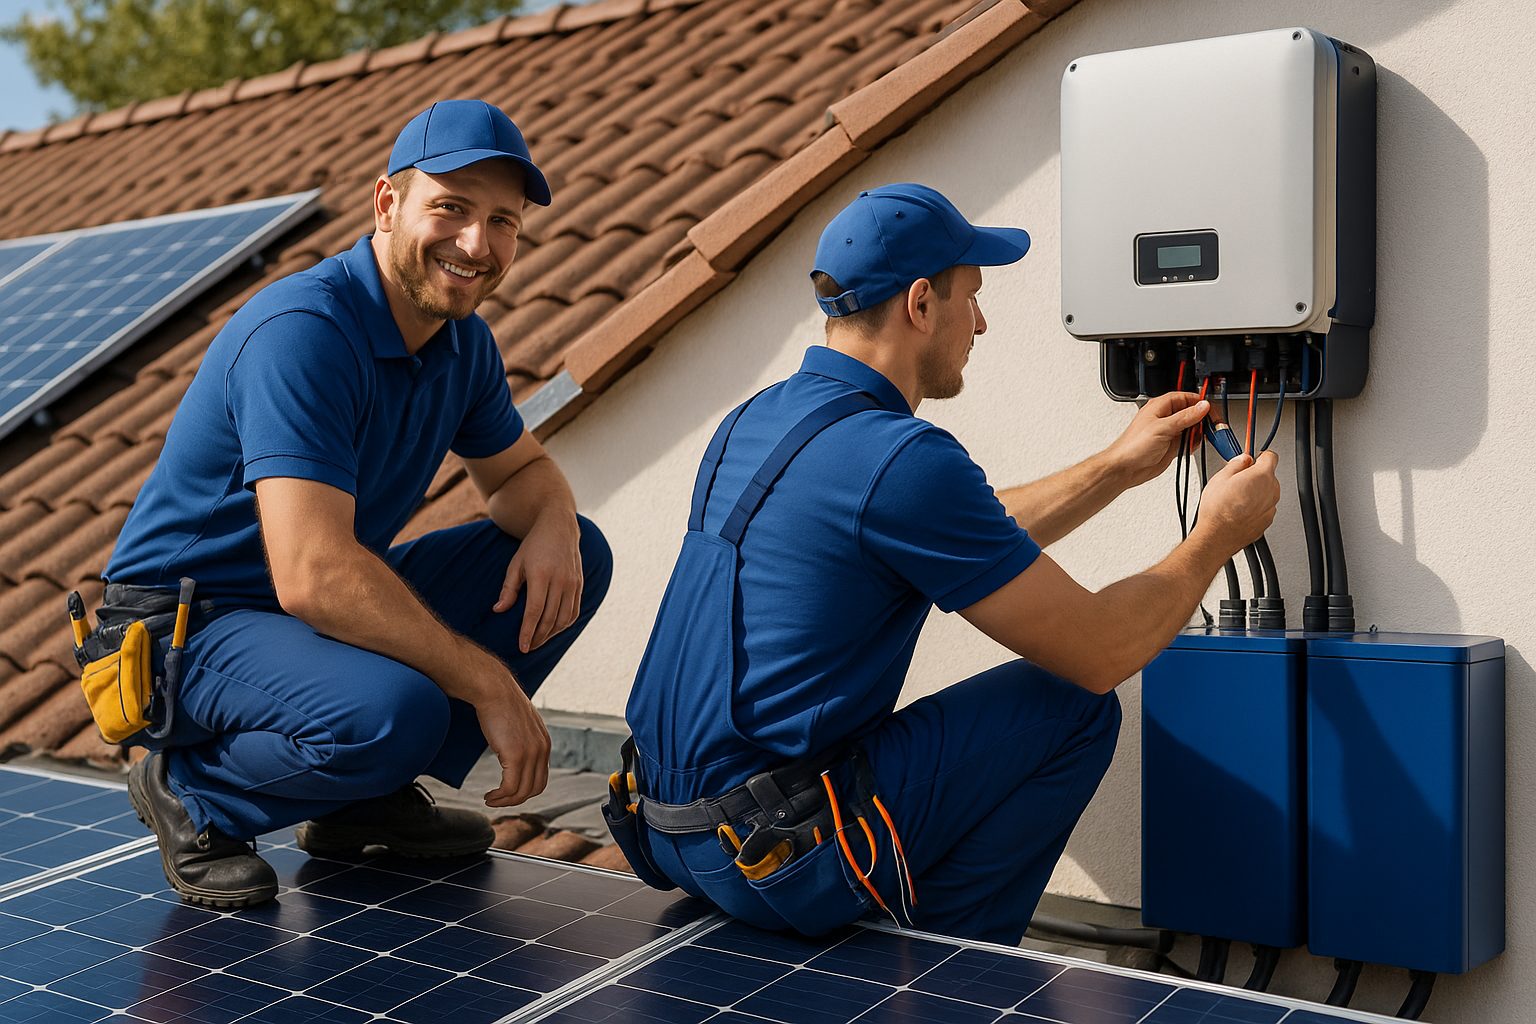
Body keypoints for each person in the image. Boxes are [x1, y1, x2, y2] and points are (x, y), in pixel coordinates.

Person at [615, 183, 1279, 943]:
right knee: (1073, 705)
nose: (983, 322)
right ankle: (942, 968)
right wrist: (1216, 534)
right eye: (974, 296)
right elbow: (1102, 652)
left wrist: (1117, 467)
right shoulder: (902, 460)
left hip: (666, 831)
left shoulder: (758, 419)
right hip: (772, 861)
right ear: (922, 304)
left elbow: (949, 532)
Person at [103, 100, 612, 908]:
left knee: (582, 549)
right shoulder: (304, 330)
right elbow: (313, 576)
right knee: (397, 711)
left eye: (502, 222)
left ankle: (354, 803)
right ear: (387, 205)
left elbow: (521, 474)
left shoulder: (462, 343)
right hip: (182, 625)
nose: (477, 244)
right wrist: (488, 684)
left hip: (293, 618)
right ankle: (191, 793)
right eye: (450, 208)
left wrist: (552, 523)